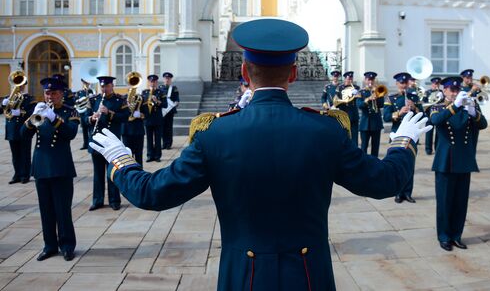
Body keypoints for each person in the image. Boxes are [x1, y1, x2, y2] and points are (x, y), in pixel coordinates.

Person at [89, 19, 431, 291]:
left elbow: (153, 194)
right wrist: (403, 141)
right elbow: (386, 181)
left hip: (244, 276)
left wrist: (121, 161)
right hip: (310, 276)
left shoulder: (215, 133)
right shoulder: (325, 130)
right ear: (294, 73)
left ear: (243, 73)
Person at [21, 77, 79, 261]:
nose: (50, 96)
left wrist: (54, 119)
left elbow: (70, 133)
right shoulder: (39, 112)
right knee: (46, 210)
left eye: (54, 93)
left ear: (61, 94)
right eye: (47, 93)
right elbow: (23, 135)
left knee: (62, 210)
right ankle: (50, 245)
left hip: (61, 167)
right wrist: (32, 119)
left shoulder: (70, 111)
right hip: (41, 167)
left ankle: (67, 245)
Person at [430, 77, 487, 251]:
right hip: (445, 161)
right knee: (445, 201)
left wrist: (472, 111)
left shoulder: (468, 106)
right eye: (451, 90)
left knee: (461, 201)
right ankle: (444, 236)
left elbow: (483, 124)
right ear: (444, 91)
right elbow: (436, 121)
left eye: (457, 90)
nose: (454, 93)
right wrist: (455, 107)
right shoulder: (437, 107)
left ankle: (456, 235)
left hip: (464, 160)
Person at [86, 76, 130, 211]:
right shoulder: (94, 99)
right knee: (98, 173)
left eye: (107, 86)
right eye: (102, 86)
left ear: (112, 86)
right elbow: (84, 118)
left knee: (113, 172)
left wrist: (109, 112)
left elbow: (125, 116)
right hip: (97, 141)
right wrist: (92, 118)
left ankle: (114, 200)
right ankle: (97, 200)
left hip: (112, 142)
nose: (104, 89)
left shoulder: (119, 100)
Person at [384, 72, 424, 203]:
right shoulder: (391, 98)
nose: (404, 86)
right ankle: (398, 192)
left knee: (410, 164)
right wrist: (399, 112)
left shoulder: (414, 97)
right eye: (401, 83)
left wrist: (414, 108)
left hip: (411, 136)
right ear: (396, 84)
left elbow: (423, 115)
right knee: (397, 164)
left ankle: (407, 193)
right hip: (397, 135)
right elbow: (386, 116)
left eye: (405, 83)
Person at [1, 81, 35, 184]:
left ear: (24, 86)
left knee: (24, 153)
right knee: (15, 154)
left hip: (23, 129)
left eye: (21, 84)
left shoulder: (30, 99)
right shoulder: (8, 97)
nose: (19, 86)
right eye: (16, 84)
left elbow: (32, 113)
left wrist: (20, 112)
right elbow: (3, 111)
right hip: (12, 130)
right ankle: (17, 174)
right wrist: (3, 105)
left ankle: (25, 175)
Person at [358, 71, 384, 157]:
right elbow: (360, 105)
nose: (370, 82)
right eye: (369, 79)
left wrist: (377, 95)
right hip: (365, 123)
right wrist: (368, 99)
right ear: (365, 80)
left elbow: (381, 104)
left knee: (375, 147)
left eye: (372, 80)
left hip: (376, 123)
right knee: (364, 147)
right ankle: (363, 165)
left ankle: (374, 165)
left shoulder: (379, 91)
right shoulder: (361, 92)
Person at [142, 75, 167, 162]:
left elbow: (165, 105)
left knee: (157, 139)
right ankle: (149, 155)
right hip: (148, 119)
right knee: (149, 139)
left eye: (154, 82)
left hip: (157, 119)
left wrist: (157, 101)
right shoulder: (144, 92)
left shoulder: (161, 92)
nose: (153, 83)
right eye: (151, 81)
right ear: (149, 82)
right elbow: (141, 106)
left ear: (156, 82)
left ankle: (157, 156)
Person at [334, 71, 360, 146]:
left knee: (354, 136)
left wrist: (357, 94)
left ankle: (355, 152)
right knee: (344, 135)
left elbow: (358, 101)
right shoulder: (340, 88)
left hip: (353, 115)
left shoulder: (356, 88)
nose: (350, 81)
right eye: (348, 79)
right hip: (344, 114)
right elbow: (336, 100)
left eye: (351, 79)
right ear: (345, 79)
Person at [122, 88, 145, 166]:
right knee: (128, 156)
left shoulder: (140, 98)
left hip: (138, 130)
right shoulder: (122, 99)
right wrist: (127, 106)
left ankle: (140, 175)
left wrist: (140, 114)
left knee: (139, 156)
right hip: (126, 131)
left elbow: (147, 113)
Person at [423, 77, 443, 155]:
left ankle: (437, 148)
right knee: (429, 132)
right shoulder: (427, 92)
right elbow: (423, 102)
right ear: (432, 84)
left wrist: (442, 97)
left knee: (439, 133)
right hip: (429, 114)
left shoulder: (442, 92)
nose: (436, 85)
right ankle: (428, 149)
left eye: (437, 84)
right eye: (435, 83)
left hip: (438, 115)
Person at [160, 72, 179, 150]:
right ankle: (164, 143)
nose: (167, 80)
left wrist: (176, 103)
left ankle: (169, 144)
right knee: (162, 128)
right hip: (162, 111)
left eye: (168, 78)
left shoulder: (174, 88)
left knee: (169, 128)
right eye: (166, 78)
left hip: (170, 111)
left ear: (171, 79)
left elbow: (176, 99)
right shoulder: (160, 88)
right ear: (163, 79)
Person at [74, 78, 94, 150]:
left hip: (89, 112)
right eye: (84, 83)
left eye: (87, 83)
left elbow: (92, 100)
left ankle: (90, 144)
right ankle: (85, 144)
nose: (85, 84)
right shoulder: (79, 92)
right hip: (82, 113)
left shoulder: (90, 91)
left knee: (90, 130)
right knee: (84, 130)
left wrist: (88, 93)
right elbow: (76, 101)